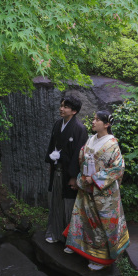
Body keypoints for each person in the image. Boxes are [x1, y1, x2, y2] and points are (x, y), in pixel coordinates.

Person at [63, 110, 130, 270]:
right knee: (85, 219)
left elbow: (118, 168)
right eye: (93, 119)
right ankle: (82, 249)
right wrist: (81, 178)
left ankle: (100, 258)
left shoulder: (112, 144)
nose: (93, 122)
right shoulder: (91, 139)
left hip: (102, 191)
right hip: (86, 187)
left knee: (100, 225)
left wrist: (94, 178)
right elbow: (83, 159)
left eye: (97, 120)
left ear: (106, 124)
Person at [44, 94, 88, 244]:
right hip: (57, 169)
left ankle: (70, 238)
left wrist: (74, 176)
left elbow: (79, 154)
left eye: (65, 107)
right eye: (61, 105)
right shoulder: (58, 123)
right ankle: (54, 232)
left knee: (69, 204)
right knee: (55, 200)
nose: (61, 109)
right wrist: (51, 163)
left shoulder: (80, 129)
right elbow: (52, 144)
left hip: (69, 173)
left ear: (74, 111)